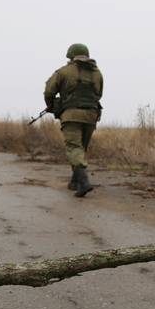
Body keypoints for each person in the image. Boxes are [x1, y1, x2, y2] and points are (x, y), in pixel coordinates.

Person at [44, 43, 103, 197]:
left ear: (71, 57)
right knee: (81, 148)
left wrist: (51, 106)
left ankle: (84, 183)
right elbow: (99, 93)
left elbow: (49, 91)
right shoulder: (97, 73)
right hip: (91, 115)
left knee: (74, 147)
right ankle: (74, 182)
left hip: (71, 115)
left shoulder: (64, 71)